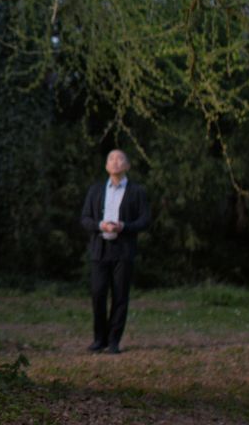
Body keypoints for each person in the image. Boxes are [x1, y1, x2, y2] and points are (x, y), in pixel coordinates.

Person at [79, 149, 150, 354]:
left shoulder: (137, 191)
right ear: (106, 166)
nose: (115, 162)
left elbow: (145, 220)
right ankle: (99, 339)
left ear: (127, 165)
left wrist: (123, 227)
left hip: (124, 250)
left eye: (120, 159)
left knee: (120, 296)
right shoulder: (96, 190)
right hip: (100, 249)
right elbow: (84, 219)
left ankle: (114, 341)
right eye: (111, 158)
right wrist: (101, 225)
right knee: (98, 293)